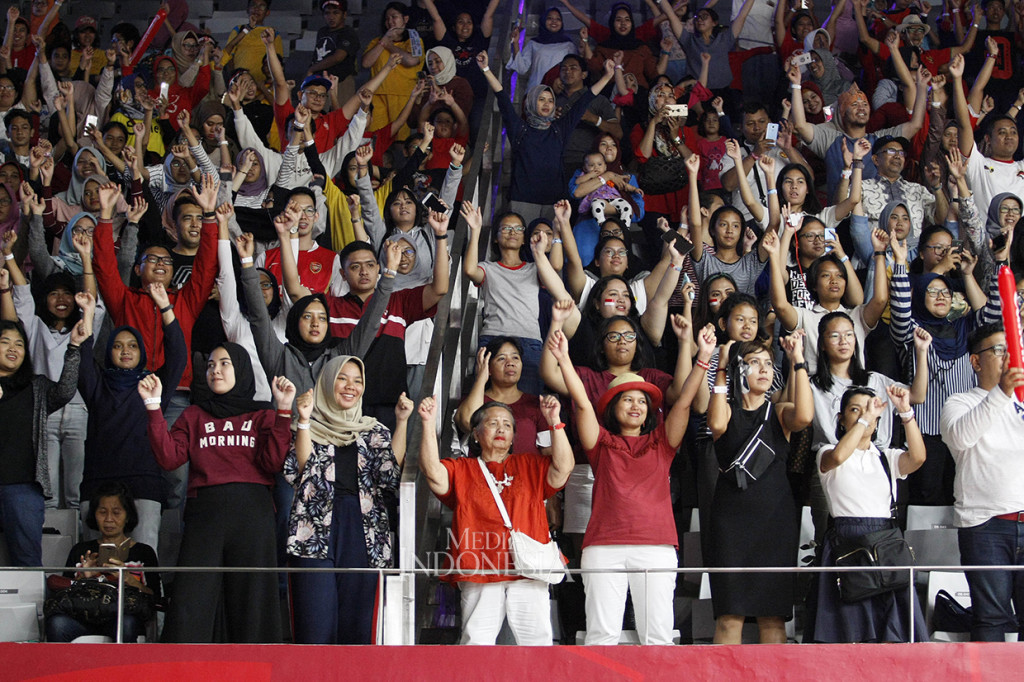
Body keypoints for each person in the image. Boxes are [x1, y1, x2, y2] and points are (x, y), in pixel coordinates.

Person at [547, 323, 702, 645]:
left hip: (656, 547)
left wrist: (704, 361)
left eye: (642, 401)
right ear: (613, 408)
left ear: (649, 412)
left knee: (657, 637)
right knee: (601, 636)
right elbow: (583, 404)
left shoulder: (662, 441)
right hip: (604, 547)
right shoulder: (601, 443)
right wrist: (563, 359)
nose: (635, 405)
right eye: (627, 400)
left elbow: (684, 403)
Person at [141, 345, 296, 643]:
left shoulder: (264, 413)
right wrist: (152, 407)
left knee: (252, 597)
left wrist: (284, 411)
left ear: (241, 369)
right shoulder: (194, 414)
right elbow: (170, 457)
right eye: (211, 365)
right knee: (193, 596)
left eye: (225, 364)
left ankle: (257, 670)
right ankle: (183, 671)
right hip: (206, 514)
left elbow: (274, 463)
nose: (216, 370)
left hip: (253, 513)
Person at [419, 390, 572, 645]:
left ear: (513, 436)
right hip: (480, 568)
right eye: (492, 423)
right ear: (477, 435)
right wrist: (427, 423)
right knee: (476, 642)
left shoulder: (530, 465)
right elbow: (433, 473)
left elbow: (564, 468)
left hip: (529, 569)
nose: (501, 428)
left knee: (539, 641)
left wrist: (554, 421)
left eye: (507, 425)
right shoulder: (462, 469)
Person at [286, 356, 410, 644]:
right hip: (314, 528)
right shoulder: (307, 424)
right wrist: (304, 421)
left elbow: (388, 475)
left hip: (364, 530)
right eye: (342, 378)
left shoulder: (374, 429)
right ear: (328, 382)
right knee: (314, 625)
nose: (350, 386)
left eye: (357, 380)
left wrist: (402, 421)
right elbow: (300, 473)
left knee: (359, 626)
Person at [706, 333, 813, 644]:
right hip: (730, 523)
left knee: (772, 617)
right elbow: (715, 423)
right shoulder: (726, 410)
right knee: (729, 617)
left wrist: (798, 361)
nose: (765, 370)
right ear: (740, 370)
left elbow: (805, 417)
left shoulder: (778, 413)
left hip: (775, 523)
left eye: (768, 364)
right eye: (755, 363)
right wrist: (722, 368)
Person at [808, 385, 928, 642]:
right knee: (847, 630)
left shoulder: (885, 457)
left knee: (894, 631)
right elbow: (839, 456)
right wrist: (865, 418)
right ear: (841, 419)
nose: (865, 415)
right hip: (847, 542)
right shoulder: (826, 452)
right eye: (855, 410)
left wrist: (906, 411)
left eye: (871, 411)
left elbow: (917, 458)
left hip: (884, 543)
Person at [76, 286, 186, 551]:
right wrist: (88, 313)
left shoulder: (152, 384)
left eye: (133, 346)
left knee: (144, 561)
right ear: (109, 352)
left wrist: (165, 307)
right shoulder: (97, 384)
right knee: (94, 565)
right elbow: (82, 357)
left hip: (144, 484)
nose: (125, 351)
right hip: (98, 484)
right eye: (117, 346)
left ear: (142, 352)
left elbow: (178, 357)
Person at [940, 323, 1024, 641]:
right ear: (976, 362)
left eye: (1011, 348)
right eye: (998, 350)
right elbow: (961, 437)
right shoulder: (960, 402)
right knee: (991, 619)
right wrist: (1001, 393)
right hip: (985, 526)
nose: (1007, 356)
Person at [478, 50, 615, 224]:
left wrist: (607, 76)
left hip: (554, 201)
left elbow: (583, 101)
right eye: (541, 99)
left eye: (550, 100)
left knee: (552, 248)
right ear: (531, 102)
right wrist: (486, 69)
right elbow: (503, 99)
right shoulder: (520, 129)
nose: (547, 104)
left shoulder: (559, 130)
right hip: (523, 200)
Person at [0, 309, 84, 567]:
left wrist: (73, 348)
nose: (13, 349)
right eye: (5, 342)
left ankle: (33, 609)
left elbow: (65, 391)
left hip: (23, 487)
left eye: (19, 344)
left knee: (26, 560)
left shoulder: (35, 386)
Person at [45, 481, 162, 643]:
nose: (109, 519)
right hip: (82, 618)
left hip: (123, 618)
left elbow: (155, 598)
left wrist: (127, 578)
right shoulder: (81, 551)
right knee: (56, 624)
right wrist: (84, 578)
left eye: (116, 512)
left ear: (128, 516)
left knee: (127, 624)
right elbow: (63, 594)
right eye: (102, 512)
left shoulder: (143, 552)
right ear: (94, 514)